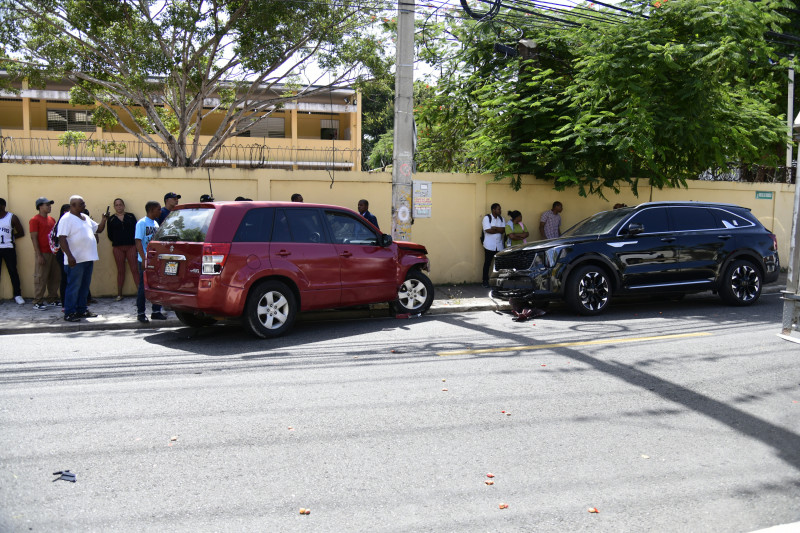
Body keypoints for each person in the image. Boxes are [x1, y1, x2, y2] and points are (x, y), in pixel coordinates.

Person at [57, 195, 99, 322]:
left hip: (88, 257)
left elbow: (98, 229)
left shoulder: (85, 217)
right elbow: (62, 239)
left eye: (84, 203)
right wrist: (69, 256)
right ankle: (69, 312)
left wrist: (104, 219)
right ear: (73, 206)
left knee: (84, 286)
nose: (84, 206)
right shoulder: (66, 219)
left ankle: (82, 309)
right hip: (75, 260)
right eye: (81, 204)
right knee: (73, 286)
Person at [135, 201, 167, 323]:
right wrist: (144, 259)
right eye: (158, 209)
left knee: (157, 286)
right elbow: (138, 242)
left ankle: (156, 311)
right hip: (145, 260)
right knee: (143, 287)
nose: (160, 211)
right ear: (152, 209)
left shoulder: (155, 223)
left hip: (156, 260)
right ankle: (141, 313)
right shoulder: (142, 223)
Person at [29, 197, 60, 310]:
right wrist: (39, 255)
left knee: (54, 276)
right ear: (40, 206)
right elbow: (34, 238)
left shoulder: (52, 219)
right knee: (40, 277)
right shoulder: (34, 220)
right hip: (43, 252)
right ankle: (37, 301)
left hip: (53, 252)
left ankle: (52, 298)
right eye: (47, 205)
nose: (49, 206)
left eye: (50, 205)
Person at [105, 198, 139, 301]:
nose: (119, 207)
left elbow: (136, 230)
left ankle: (141, 293)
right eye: (116, 205)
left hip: (131, 246)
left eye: (120, 204)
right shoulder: (110, 219)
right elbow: (110, 235)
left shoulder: (131, 216)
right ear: (114, 207)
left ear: (124, 206)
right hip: (118, 247)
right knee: (120, 270)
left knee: (134, 269)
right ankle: (119, 294)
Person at [0, 198, 26, 304]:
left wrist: (11, 238)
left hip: (8, 248)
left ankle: (17, 295)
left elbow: (21, 232)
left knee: (13, 271)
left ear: (3, 206)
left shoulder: (12, 217)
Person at [481, 203, 505, 288]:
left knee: (499, 264)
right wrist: (498, 229)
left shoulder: (501, 219)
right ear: (493, 210)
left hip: (499, 245)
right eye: (498, 209)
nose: (500, 211)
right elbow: (488, 230)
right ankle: (485, 281)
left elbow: (503, 230)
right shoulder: (487, 218)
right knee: (487, 263)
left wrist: (495, 228)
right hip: (489, 245)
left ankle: (497, 282)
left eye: (500, 209)